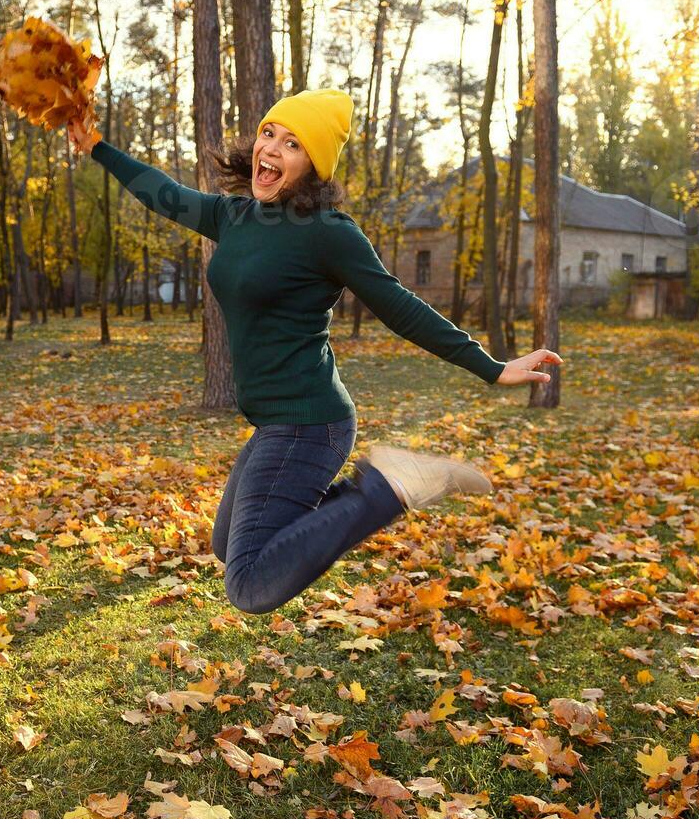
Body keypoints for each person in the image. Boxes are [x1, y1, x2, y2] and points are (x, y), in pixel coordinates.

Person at [65, 88, 561, 615]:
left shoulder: (329, 233)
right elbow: (162, 192)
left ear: (313, 165)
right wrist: (96, 144)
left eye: (292, 144)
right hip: (275, 420)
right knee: (226, 545)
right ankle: (375, 490)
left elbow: (400, 306)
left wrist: (491, 367)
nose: (271, 150)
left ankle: (387, 488)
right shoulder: (233, 216)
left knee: (251, 584)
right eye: (269, 134)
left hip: (309, 423)